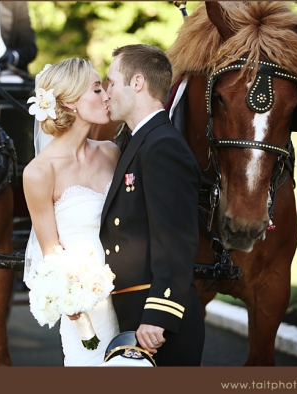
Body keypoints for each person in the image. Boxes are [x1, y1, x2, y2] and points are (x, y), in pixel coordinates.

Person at [99, 44, 205, 366]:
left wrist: (159, 312)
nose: (106, 93)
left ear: (137, 82)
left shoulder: (162, 147)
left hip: (157, 325)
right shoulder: (139, 141)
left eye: (111, 82)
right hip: (136, 313)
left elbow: (175, 239)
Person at [22, 58, 121, 366]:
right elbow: (50, 251)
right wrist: (71, 295)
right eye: (96, 89)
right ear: (69, 103)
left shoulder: (111, 152)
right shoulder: (39, 172)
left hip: (130, 292)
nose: (107, 95)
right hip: (89, 303)